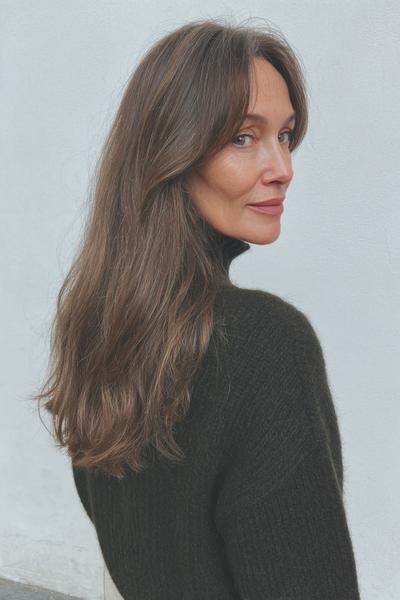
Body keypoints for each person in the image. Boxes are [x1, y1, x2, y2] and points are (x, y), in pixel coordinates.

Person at [34, 17, 362, 600]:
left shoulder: (101, 330)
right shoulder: (265, 345)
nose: (282, 167)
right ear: (172, 153)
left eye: (285, 135)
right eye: (243, 138)